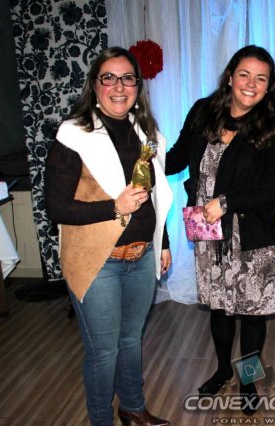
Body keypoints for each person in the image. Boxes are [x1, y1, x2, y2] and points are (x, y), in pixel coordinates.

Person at [45, 47, 172, 426]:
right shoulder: (74, 134)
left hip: (142, 256)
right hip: (97, 262)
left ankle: (132, 407)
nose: (119, 87)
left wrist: (163, 243)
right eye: (109, 78)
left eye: (128, 78)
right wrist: (114, 207)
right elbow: (57, 208)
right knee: (103, 353)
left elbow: (155, 195)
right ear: (95, 85)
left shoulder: (147, 132)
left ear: (138, 85)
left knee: (131, 341)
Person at [165, 45, 275, 415]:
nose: (251, 84)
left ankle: (248, 380)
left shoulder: (271, 127)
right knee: (218, 309)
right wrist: (140, 161)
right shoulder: (203, 111)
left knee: (252, 314)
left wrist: (227, 202)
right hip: (207, 231)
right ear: (231, 76)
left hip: (253, 237)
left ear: (268, 86)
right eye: (244, 74)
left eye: (261, 78)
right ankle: (222, 370)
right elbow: (177, 156)